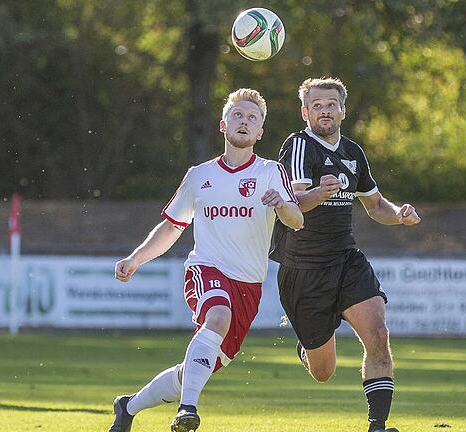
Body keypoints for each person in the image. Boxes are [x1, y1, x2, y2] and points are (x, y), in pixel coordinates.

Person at [107, 88, 303, 432]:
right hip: (206, 269)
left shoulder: (272, 172)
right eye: (238, 115)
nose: (244, 121)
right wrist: (137, 258)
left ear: (260, 132)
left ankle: (129, 406)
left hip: (249, 286)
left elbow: (296, 220)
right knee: (217, 316)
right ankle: (188, 411)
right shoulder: (199, 175)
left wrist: (282, 204)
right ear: (223, 125)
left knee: (195, 369)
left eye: (252, 118)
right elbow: (171, 227)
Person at [270, 77, 421, 432]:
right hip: (303, 268)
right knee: (324, 372)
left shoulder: (353, 153)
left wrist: (399, 214)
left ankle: (378, 425)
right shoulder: (298, 146)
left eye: (331, 104)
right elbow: (290, 207)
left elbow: (375, 206)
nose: (325, 111)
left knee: (378, 333)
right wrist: (319, 194)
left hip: (346, 258)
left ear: (342, 109)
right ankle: (307, 348)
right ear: (305, 111)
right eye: (317, 105)